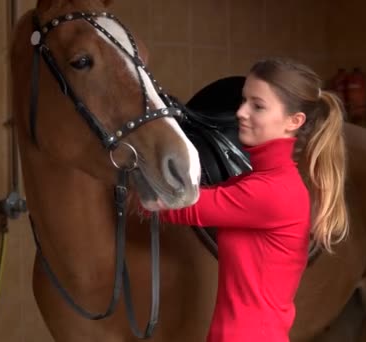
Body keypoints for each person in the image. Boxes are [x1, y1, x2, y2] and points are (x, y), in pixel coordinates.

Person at [141, 58, 349, 341]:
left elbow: (179, 207)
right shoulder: (256, 181)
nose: (241, 112)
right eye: (244, 101)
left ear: (294, 121)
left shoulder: (273, 191)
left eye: (257, 106)